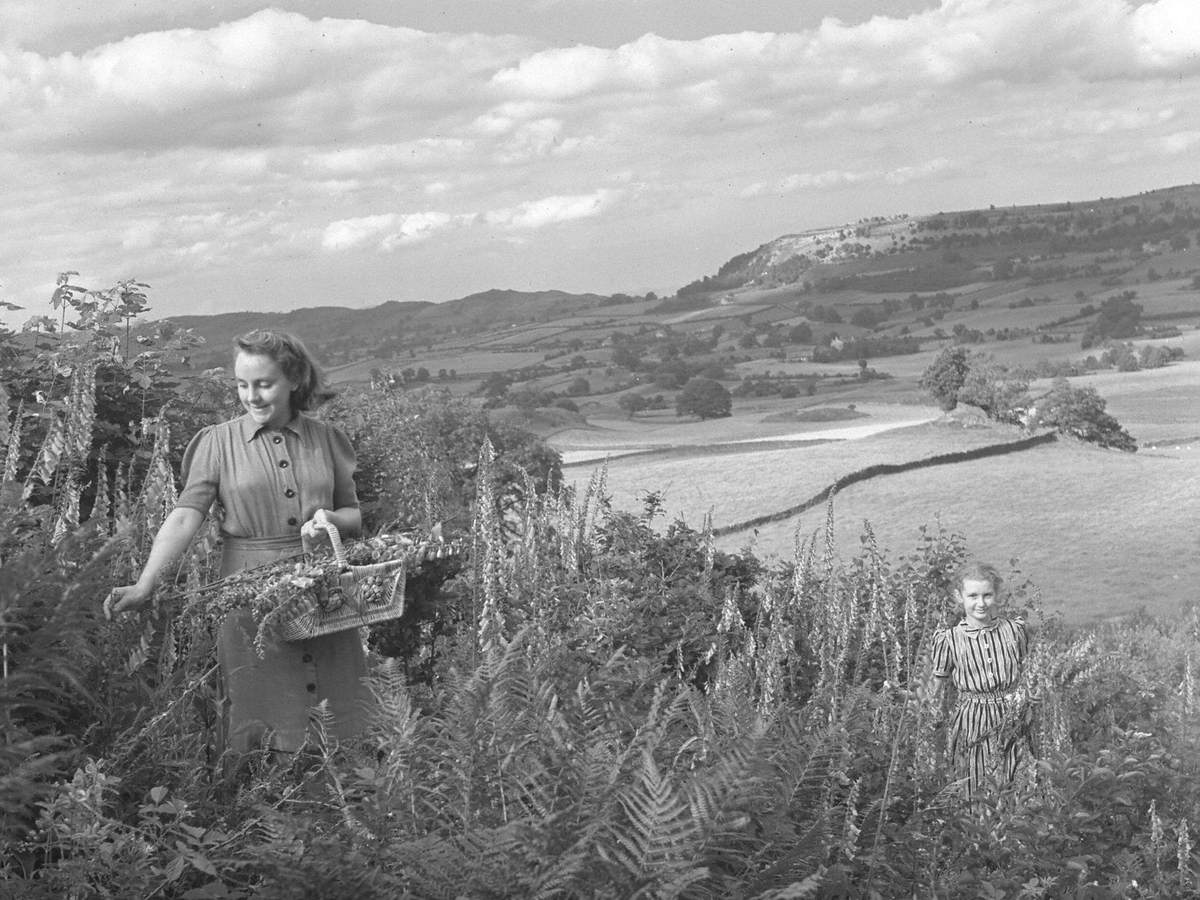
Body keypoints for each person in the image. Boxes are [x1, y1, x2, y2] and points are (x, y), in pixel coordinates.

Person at [105, 330, 370, 756]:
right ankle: (266, 810)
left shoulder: (327, 439)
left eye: (264, 384)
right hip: (249, 595)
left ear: (294, 380)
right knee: (263, 713)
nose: (252, 396)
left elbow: (353, 515)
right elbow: (186, 515)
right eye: (242, 385)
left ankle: (337, 812)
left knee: (338, 713)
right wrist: (146, 583)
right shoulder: (217, 443)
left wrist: (330, 519)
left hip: (324, 592)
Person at [929, 561, 1033, 797]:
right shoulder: (949, 639)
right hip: (972, 720)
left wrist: (1029, 695)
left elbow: (1029, 672)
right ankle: (976, 830)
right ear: (959, 597)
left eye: (987, 595)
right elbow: (935, 687)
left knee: (1016, 780)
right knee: (975, 782)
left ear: (997, 595)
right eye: (973, 596)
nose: (980, 603)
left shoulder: (1014, 630)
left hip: (1013, 716)